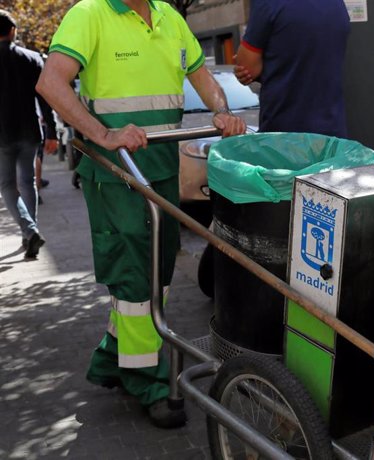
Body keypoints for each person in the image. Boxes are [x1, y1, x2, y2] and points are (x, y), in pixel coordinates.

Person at [36, 0, 246, 429]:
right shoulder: (90, 14)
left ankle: (114, 358)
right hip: (117, 176)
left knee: (159, 274)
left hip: (162, 170)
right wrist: (103, 133)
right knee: (136, 277)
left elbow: (204, 79)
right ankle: (147, 379)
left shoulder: (170, 17)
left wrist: (222, 110)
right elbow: (51, 84)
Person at [233, 0, 350, 137]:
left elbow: (247, 67)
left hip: (284, 136)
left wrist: (268, 65)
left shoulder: (268, 3)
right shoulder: (337, 4)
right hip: (333, 132)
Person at [0, 9, 57, 259]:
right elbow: (46, 98)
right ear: (13, 31)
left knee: (7, 185)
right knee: (27, 182)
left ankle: (30, 231)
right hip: (30, 131)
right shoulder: (32, 58)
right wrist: (52, 131)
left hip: (2, 134)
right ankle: (29, 233)